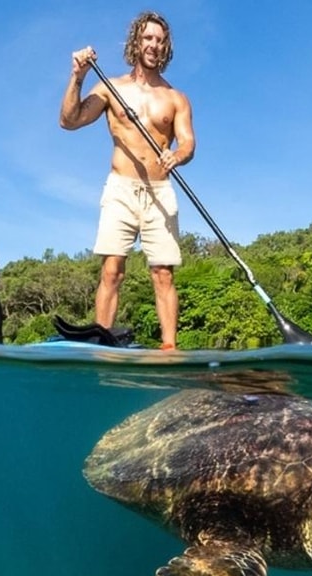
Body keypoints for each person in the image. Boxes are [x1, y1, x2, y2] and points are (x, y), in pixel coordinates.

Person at [59, 11, 195, 351]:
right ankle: (101, 344)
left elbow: (188, 142)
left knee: (163, 273)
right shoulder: (111, 88)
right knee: (112, 269)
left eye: (160, 40)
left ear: (166, 48)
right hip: (121, 187)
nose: (154, 45)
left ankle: (169, 349)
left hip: (160, 190)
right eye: (148, 38)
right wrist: (78, 77)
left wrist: (176, 155)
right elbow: (69, 120)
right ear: (136, 41)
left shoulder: (176, 98)